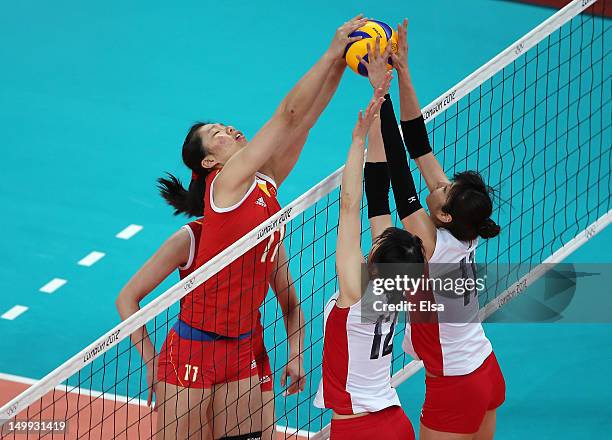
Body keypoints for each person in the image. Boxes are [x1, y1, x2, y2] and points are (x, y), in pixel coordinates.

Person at [153, 15, 370, 440]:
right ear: (210, 163)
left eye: (224, 125)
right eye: (217, 135)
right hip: (195, 347)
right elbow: (287, 116)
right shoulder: (226, 186)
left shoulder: (262, 182)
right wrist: (329, 53)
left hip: (243, 344)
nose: (229, 130)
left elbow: (302, 122)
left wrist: (341, 64)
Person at [358, 22, 505, 440]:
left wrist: (379, 94)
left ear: (442, 214)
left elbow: (401, 171)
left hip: (455, 384)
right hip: (486, 369)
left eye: (441, 189)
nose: (437, 183)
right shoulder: (466, 227)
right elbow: (418, 141)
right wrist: (403, 72)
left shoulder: (430, 244)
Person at [115, 217, 304, 439]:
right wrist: (151, 361)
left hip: (247, 353)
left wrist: (296, 353)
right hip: (193, 356)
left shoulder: (265, 235)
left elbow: (291, 304)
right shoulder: (191, 238)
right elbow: (126, 299)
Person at [313, 75, 417, 440]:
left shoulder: (357, 289)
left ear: (374, 256)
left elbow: (350, 206)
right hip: (396, 423)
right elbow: (377, 196)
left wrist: (357, 138)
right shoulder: (397, 284)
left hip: (359, 431)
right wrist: (378, 104)